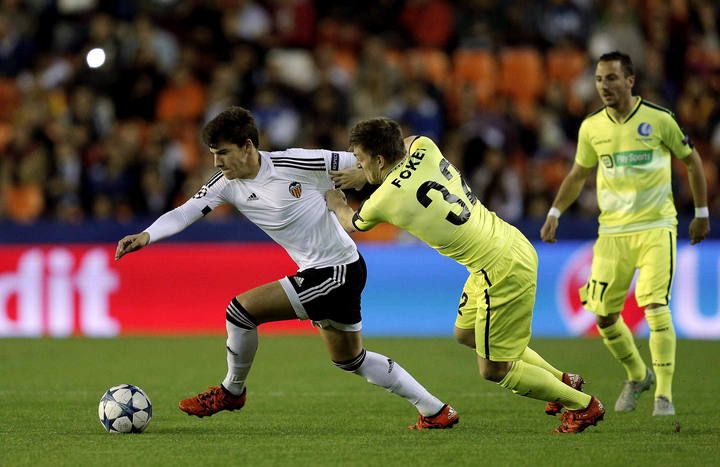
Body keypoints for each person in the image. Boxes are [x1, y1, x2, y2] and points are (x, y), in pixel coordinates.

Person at [115, 106, 458, 430]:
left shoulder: (297, 162)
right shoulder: (226, 185)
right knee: (350, 359)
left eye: (222, 152)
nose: (216, 162)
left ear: (247, 146)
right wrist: (147, 235)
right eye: (212, 154)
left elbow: (378, 160)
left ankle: (232, 392)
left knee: (240, 311)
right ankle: (436, 411)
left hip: (335, 270)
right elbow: (185, 212)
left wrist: (358, 174)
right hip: (336, 270)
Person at [326, 117, 604, 434]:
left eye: (361, 158)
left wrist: (336, 201)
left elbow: (352, 222)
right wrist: (365, 172)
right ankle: (562, 381)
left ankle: (582, 405)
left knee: (494, 368)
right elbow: (405, 146)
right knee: (466, 333)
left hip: (497, 269)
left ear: (378, 159)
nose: (359, 165)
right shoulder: (424, 146)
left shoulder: (383, 200)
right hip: (507, 242)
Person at [540, 51, 710, 416]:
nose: (605, 86)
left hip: (656, 226)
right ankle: (637, 374)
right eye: (600, 79)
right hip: (613, 233)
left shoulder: (659, 120)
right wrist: (555, 211)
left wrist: (701, 212)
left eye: (612, 79)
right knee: (603, 316)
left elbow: (692, 161)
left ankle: (664, 395)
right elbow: (577, 174)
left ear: (630, 81)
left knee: (655, 306)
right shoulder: (591, 128)